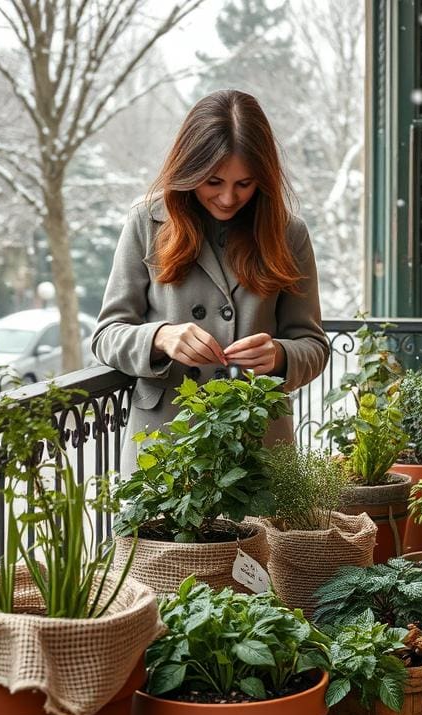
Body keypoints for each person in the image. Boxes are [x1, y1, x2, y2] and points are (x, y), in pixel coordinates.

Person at [92, 90, 330, 473]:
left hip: (257, 443)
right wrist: (160, 338)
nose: (226, 198)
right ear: (188, 170)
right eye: (213, 181)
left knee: (261, 535)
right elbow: (106, 335)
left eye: (244, 184)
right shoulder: (147, 222)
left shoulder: (288, 234)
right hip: (168, 442)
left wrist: (279, 355)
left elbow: (314, 346)